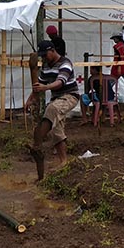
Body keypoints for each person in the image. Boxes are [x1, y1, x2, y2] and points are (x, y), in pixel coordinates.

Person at [24, 39, 80, 182]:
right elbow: (39, 85)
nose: (44, 58)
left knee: (52, 108)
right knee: (57, 129)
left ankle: (38, 142)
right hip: (56, 99)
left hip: (69, 96)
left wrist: (46, 88)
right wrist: (31, 99)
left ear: (52, 50)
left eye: (45, 55)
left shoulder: (65, 63)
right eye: (41, 56)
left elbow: (60, 82)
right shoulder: (46, 66)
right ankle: (63, 161)